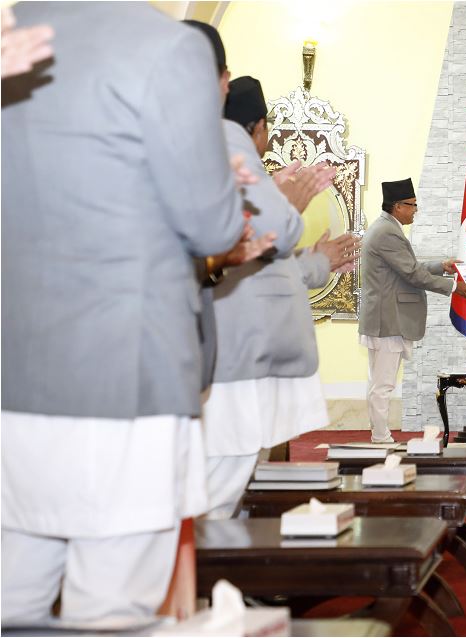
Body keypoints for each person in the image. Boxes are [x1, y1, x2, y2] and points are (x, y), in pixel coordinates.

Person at [1, 2, 245, 625]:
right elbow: (212, 223)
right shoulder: (164, 47)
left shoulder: (12, 33)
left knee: (14, 591)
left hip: (16, 373)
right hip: (123, 372)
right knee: (111, 605)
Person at [197, 75, 344, 519]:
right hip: (235, 357)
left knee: (235, 480)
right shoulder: (229, 155)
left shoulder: (227, 161)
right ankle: (202, 585)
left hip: (237, 356)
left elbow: (263, 261)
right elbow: (237, 254)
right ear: (259, 127)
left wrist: (318, 260)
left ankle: (224, 583)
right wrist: (285, 209)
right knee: (218, 488)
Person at [359, 179, 466, 443]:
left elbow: (406, 267)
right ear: (397, 206)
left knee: (379, 382)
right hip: (388, 319)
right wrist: (454, 286)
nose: (415, 210)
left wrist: (439, 266)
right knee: (383, 384)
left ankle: (380, 435)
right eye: (412, 205)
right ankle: (381, 438)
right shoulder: (387, 232)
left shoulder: (386, 228)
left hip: (384, 317)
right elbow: (411, 273)